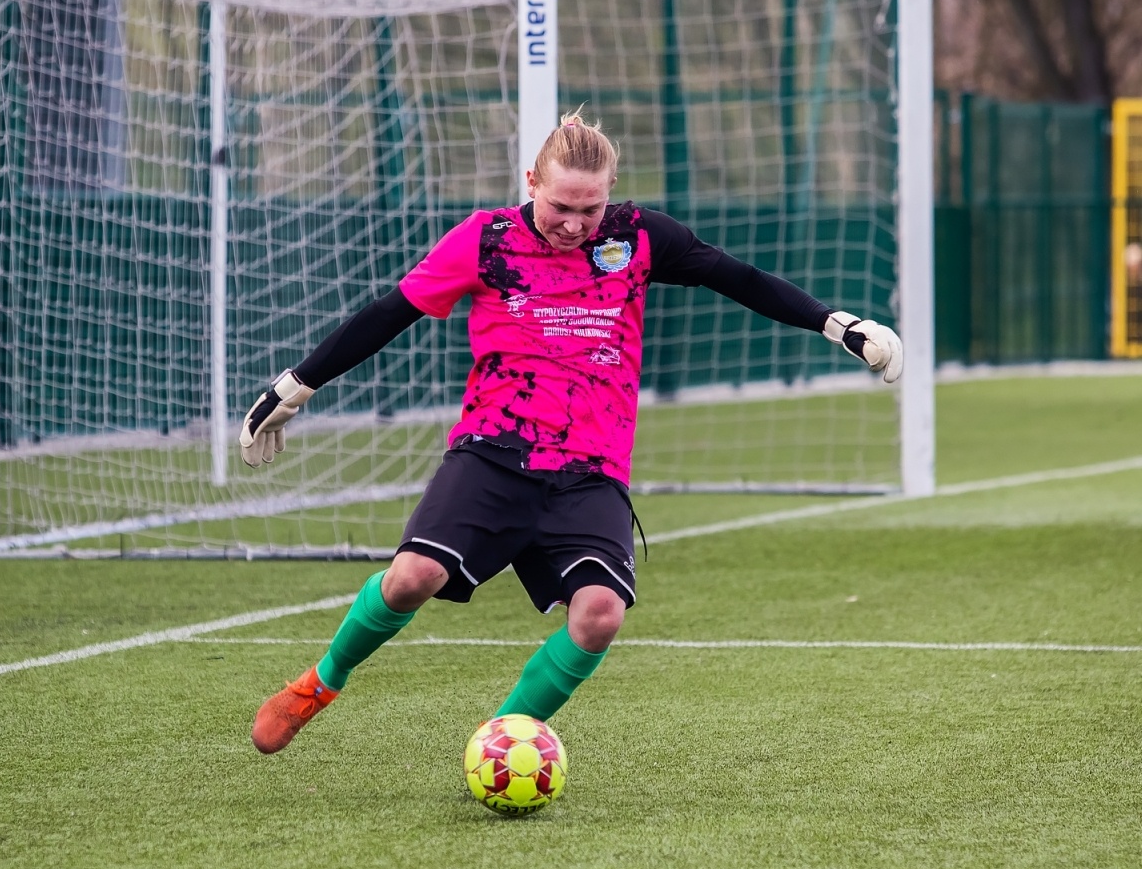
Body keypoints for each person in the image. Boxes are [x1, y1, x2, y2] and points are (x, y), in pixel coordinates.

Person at [242, 110, 903, 754]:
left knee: (599, 614)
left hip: (590, 470)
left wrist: (834, 323)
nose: (574, 223)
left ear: (609, 194)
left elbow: (738, 278)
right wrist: (297, 385)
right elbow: (388, 314)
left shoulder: (639, 238)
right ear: (532, 182)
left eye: (589, 210)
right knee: (412, 574)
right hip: (493, 454)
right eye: (561, 205)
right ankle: (317, 685)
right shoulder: (485, 239)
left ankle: (502, 740)